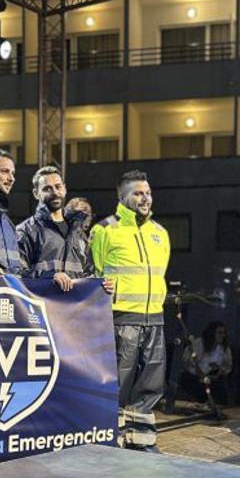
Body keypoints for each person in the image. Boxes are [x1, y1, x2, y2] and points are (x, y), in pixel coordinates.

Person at [91, 170, 171, 452]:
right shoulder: (104, 230)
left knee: (150, 385)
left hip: (155, 318)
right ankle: (110, 441)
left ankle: (142, 442)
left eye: (148, 193)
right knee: (118, 386)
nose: (145, 198)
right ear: (122, 197)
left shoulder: (160, 233)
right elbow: (94, 274)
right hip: (120, 319)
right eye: (138, 193)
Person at [15, 166, 93, 291]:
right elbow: (16, 274)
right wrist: (50, 277)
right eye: (47, 189)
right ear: (36, 193)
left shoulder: (77, 232)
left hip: (75, 306)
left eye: (58, 186)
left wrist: (101, 285)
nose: (55, 192)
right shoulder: (25, 231)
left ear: (65, 188)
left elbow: (88, 272)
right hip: (44, 306)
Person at [179, 321, 233, 405]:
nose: (223, 335)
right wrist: (201, 374)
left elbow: (227, 367)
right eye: (219, 333)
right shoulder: (199, 344)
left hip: (213, 379)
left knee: (221, 387)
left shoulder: (224, 349)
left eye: (224, 333)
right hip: (195, 378)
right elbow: (189, 362)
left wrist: (219, 370)